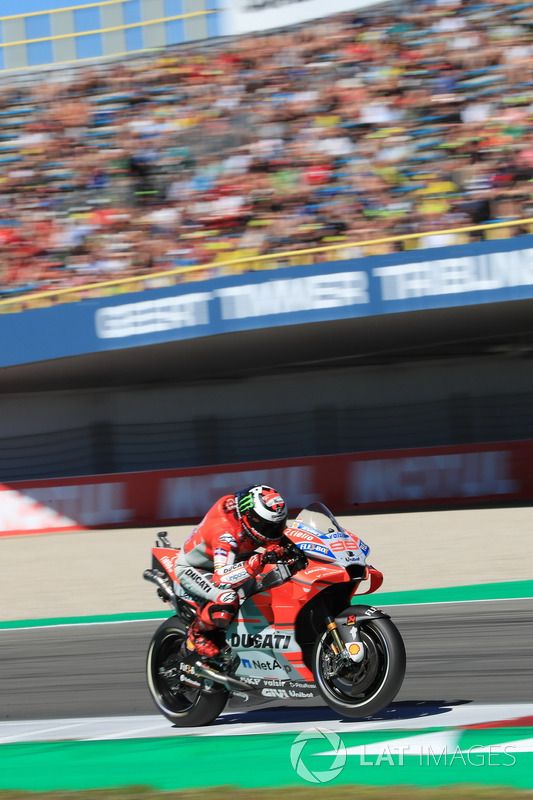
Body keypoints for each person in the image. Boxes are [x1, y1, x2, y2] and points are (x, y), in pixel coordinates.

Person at [175, 485, 289, 658]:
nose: (274, 533)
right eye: (268, 527)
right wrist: (258, 561)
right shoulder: (226, 534)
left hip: (236, 559)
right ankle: (197, 634)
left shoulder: (250, 511)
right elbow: (222, 578)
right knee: (227, 598)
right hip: (197, 568)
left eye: (278, 525)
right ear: (250, 518)